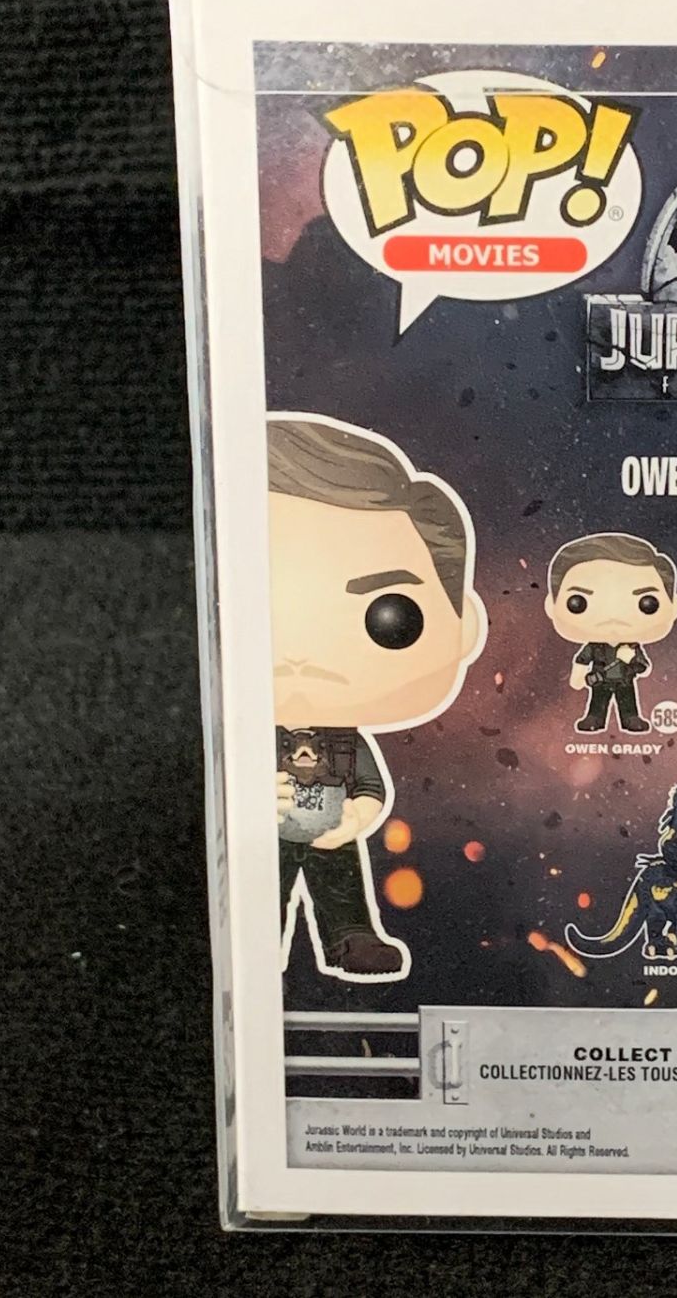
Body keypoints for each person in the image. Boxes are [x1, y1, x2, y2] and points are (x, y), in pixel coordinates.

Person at [268, 414, 486, 980]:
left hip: (332, 829)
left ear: (463, 627)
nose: (301, 658)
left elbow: (368, 786)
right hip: (262, 835)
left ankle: (351, 938)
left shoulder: (346, 738)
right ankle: (252, 943)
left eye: (390, 618)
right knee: (258, 893)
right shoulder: (247, 734)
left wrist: (357, 817)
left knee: (341, 886)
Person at [544, 533, 677, 733]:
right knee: (597, 704)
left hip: (625, 681)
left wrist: (631, 660)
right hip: (600, 681)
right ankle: (594, 718)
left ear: (674, 606)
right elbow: (582, 660)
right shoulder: (594, 647)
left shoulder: (632, 647)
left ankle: (631, 719)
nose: (613, 617)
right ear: (551, 605)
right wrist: (578, 677)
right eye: (578, 603)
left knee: (628, 704)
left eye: (647, 604)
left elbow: (643, 667)